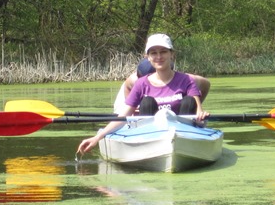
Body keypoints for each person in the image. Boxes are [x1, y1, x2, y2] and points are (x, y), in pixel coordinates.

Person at [78, 33, 209, 155]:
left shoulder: (186, 80)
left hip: (183, 134)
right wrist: (98, 137)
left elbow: (198, 109)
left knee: (189, 101)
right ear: (147, 57)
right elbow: (123, 116)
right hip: (150, 136)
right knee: (147, 102)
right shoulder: (140, 83)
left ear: (172, 54)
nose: (159, 57)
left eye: (163, 52)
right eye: (154, 53)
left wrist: (201, 115)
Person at [113, 58, 211, 114]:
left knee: (188, 102)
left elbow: (206, 84)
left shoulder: (187, 79)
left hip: (172, 112)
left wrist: (196, 107)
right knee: (147, 104)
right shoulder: (136, 81)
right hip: (144, 102)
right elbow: (127, 87)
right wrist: (134, 108)